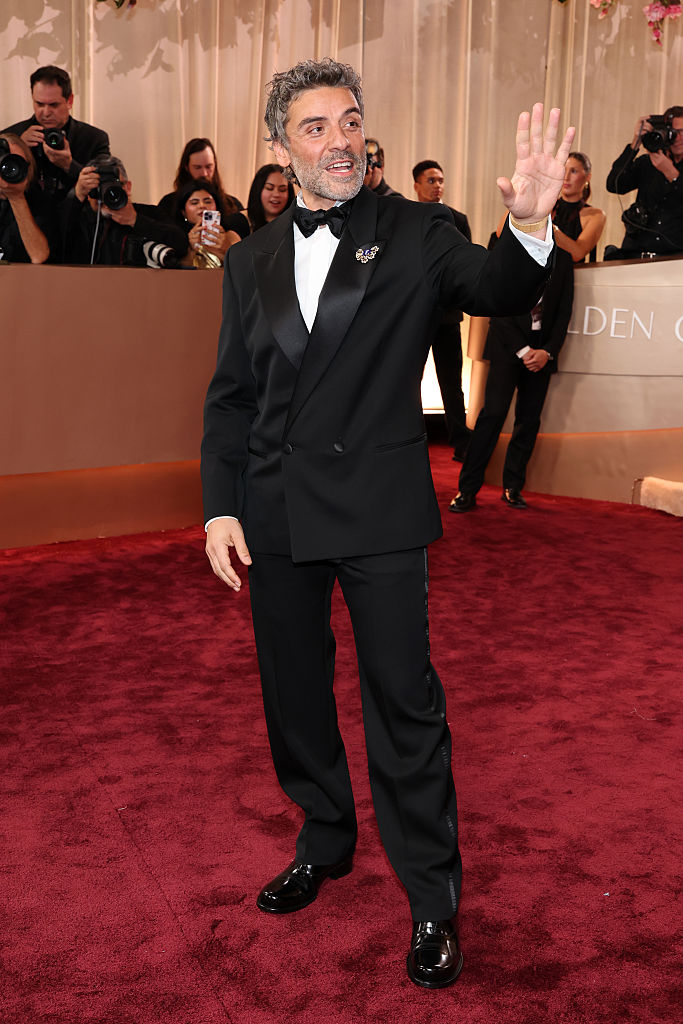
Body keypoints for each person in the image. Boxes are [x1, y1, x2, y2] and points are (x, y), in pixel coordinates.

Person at [201, 56, 573, 989]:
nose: (339, 142)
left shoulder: (415, 231)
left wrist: (530, 225)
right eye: (315, 127)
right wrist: (219, 505)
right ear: (278, 144)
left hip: (377, 510)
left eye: (350, 122)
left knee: (403, 705)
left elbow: (493, 286)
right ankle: (324, 839)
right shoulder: (248, 259)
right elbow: (232, 396)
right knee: (293, 696)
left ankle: (431, 899)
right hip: (274, 510)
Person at [413, 159, 472, 461]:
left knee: (452, 383)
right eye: (431, 180)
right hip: (414, 316)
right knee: (409, 381)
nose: (437, 186)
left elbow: (466, 265)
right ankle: (410, 440)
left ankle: (461, 442)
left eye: (440, 180)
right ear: (416, 185)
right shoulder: (405, 218)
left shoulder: (457, 219)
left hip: (447, 315)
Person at [3, 65, 110, 202]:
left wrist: (69, 165)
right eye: (39, 104)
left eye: (53, 105)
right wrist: (16, 152)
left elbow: (106, 189)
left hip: (77, 214)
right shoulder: (10, 136)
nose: (46, 112)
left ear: (70, 101)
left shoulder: (94, 139)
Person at [59, 156, 188, 266]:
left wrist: (135, 220)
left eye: (113, 185)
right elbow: (58, 243)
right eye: (99, 186)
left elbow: (181, 244)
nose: (106, 193)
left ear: (127, 187)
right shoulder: (78, 217)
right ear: (88, 192)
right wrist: (77, 194)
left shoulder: (148, 213)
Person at [605, 106, 683, 258]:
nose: (679, 138)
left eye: (682, 132)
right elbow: (614, 184)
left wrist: (672, 174)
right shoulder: (647, 163)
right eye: (674, 132)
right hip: (636, 255)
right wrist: (635, 143)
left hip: (675, 259)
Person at [158, 138, 249, 237]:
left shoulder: (232, 204)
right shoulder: (168, 204)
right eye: (197, 167)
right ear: (187, 167)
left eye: (209, 167)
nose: (204, 173)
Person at [0, 134, 51, 264]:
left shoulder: (40, 202)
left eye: (16, 163)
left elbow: (38, 256)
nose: (10, 170)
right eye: (4, 163)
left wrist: (16, 198)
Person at [552, 151, 605, 262]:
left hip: (570, 272)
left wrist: (550, 229)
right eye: (563, 170)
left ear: (587, 177)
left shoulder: (595, 215)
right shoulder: (548, 207)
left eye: (573, 171)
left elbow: (578, 253)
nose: (566, 177)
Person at [175, 180, 241, 268]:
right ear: (183, 212)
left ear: (217, 207)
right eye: (194, 203)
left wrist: (226, 249)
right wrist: (191, 250)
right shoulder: (176, 239)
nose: (202, 206)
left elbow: (243, 267)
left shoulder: (230, 236)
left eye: (208, 202)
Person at [246, 163, 295, 231]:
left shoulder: (297, 225)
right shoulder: (243, 222)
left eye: (282, 190)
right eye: (269, 188)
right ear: (258, 190)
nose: (276, 194)